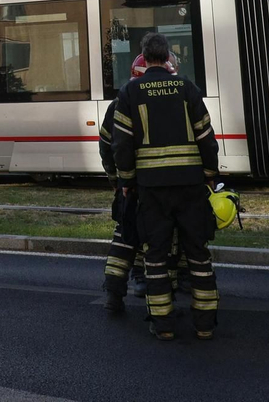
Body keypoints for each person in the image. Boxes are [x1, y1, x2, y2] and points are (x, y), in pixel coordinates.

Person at [111, 32, 220, 342]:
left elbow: (121, 144)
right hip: (191, 186)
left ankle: (164, 326)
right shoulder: (188, 88)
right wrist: (210, 174)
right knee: (198, 253)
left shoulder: (130, 93)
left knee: (156, 256)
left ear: (144, 59)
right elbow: (205, 136)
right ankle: (205, 324)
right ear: (170, 57)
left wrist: (127, 180)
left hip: (151, 188)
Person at [99, 54, 149, 311]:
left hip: (127, 185)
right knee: (156, 235)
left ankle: (113, 293)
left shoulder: (118, 103)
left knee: (124, 237)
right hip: (155, 184)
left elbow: (107, 146)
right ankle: (148, 284)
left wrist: (115, 179)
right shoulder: (167, 98)